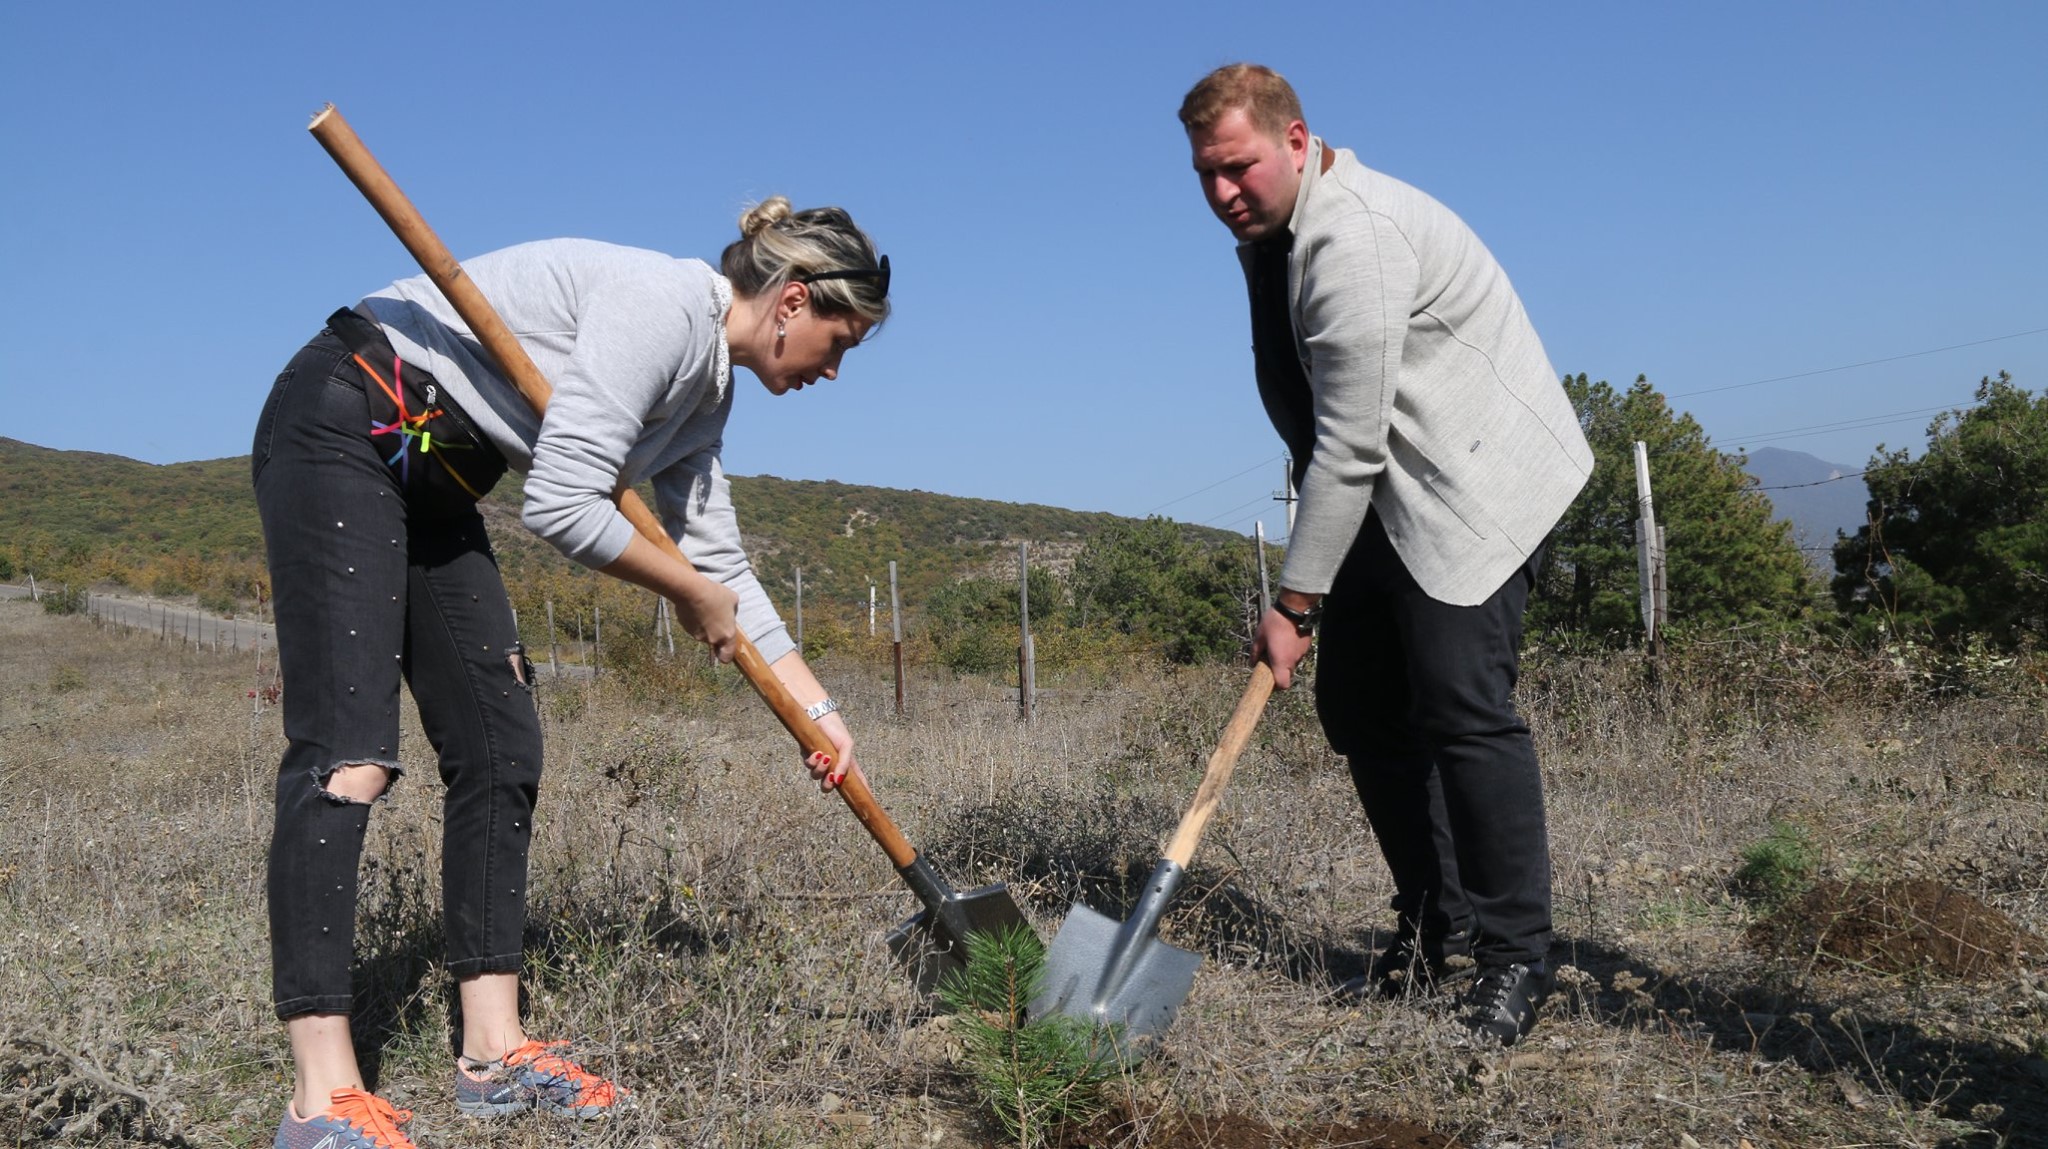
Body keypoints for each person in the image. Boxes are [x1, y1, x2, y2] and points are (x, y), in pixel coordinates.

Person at [253, 199, 890, 1148]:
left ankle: (496, 1054)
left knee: (502, 744)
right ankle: (320, 1100)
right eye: (838, 343)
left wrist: (818, 706)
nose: (834, 371)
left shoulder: (706, 394)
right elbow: (560, 503)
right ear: (792, 300)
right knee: (352, 752)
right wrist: (685, 590)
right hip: (349, 418)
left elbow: (722, 568)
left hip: (441, 476)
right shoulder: (664, 308)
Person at [1178, 64, 1594, 1045]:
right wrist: (1318, 587)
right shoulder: (1268, 233)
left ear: (1295, 141)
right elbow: (1319, 418)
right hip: (1381, 494)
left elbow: (1351, 442)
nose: (1222, 192)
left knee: (1459, 707)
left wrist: (1292, 603)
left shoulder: (1351, 237)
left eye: (1237, 167)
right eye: (1204, 174)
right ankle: (1431, 924)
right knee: (1360, 707)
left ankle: (1514, 959)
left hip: (1473, 483)